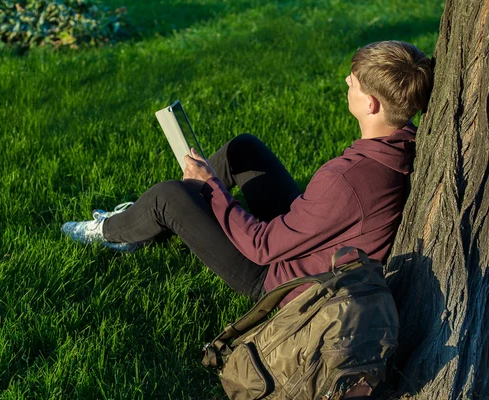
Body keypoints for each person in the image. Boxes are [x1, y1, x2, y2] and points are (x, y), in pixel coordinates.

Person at [62, 40, 432, 307]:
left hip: (273, 278)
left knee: (168, 195)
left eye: (354, 81)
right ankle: (148, 219)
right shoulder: (400, 145)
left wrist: (211, 189)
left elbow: (262, 246)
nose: (347, 82)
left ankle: (112, 231)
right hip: (310, 242)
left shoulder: (347, 180)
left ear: (371, 103)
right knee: (244, 150)